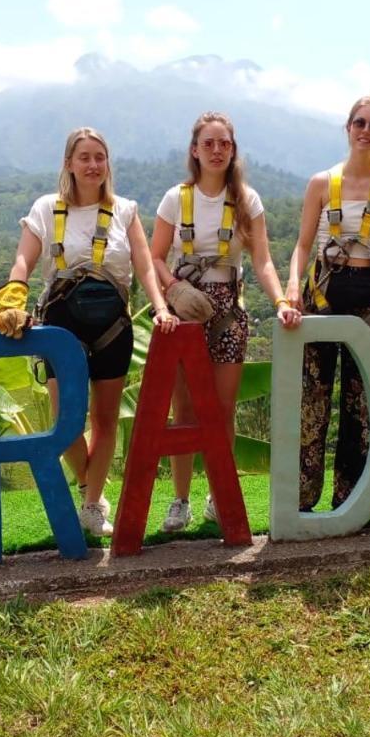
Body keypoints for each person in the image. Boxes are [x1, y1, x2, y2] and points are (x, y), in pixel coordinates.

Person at [0, 127, 176, 536]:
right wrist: (12, 300)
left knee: (106, 419)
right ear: (69, 164)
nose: (93, 165)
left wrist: (160, 308)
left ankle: (92, 506)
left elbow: (146, 266)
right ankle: (85, 483)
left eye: (100, 157)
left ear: (107, 163)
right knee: (67, 421)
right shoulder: (45, 209)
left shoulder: (124, 210)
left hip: (113, 325)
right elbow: (23, 260)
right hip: (61, 326)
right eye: (85, 157)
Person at [150, 111, 302, 531]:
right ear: (195, 151)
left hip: (229, 311)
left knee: (223, 407)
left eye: (225, 144)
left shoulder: (247, 200)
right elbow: (155, 256)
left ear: (233, 151)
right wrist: (173, 288)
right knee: (183, 408)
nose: (217, 151)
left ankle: (220, 493)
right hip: (184, 310)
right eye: (209, 143)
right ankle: (179, 500)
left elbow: (262, 259)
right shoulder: (174, 199)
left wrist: (280, 301)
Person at [285, 94, 370, 510]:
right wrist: (290, 287)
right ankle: (302, 499)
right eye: (360, 122)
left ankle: (349, 499)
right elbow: (303, 245)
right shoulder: (322, 182)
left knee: (361, 405)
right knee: (312, 401)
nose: (366, 131)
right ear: (348, 127)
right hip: (322, 295)